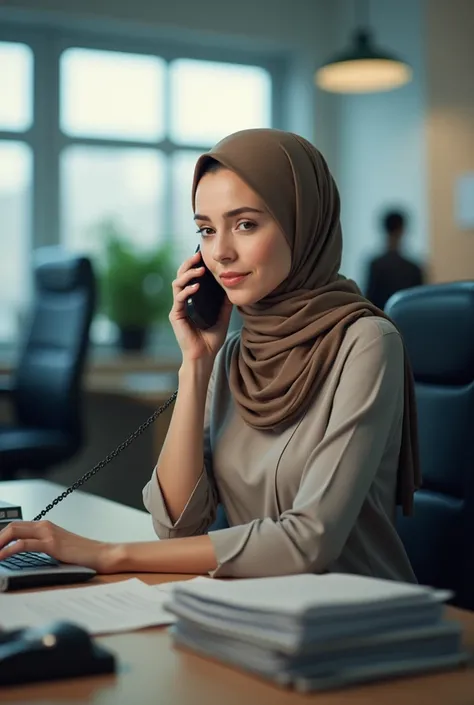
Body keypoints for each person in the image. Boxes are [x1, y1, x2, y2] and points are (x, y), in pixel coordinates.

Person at [0, 129, 421, 583]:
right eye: (205, 229)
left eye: (245, 224)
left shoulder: (366, 342)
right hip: (253, 610)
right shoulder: (234, 355)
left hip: (362, 621)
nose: (219, 252)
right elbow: (177, 527)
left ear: (303, 224)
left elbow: (309, 540)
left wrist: (109, 553)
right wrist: (196, 365)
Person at [365, 210, 424, 310]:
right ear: (402, 230)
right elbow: (421, 303)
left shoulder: (375, 265)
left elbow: (368, 301)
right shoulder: (413, 268)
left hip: (380, 322)